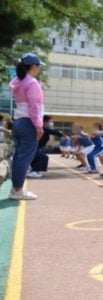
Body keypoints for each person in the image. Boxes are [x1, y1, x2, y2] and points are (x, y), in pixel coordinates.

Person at [8, 53, 46, 200]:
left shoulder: (18, 81)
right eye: (39, 65)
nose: (39, 68)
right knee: (25, 158)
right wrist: (39, 126)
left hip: (18, 121)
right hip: (29, 122)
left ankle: (15, 188)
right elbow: (35, 107)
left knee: (18, 157)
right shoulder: (32, 83)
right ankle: (17, 190)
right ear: (34, 66)